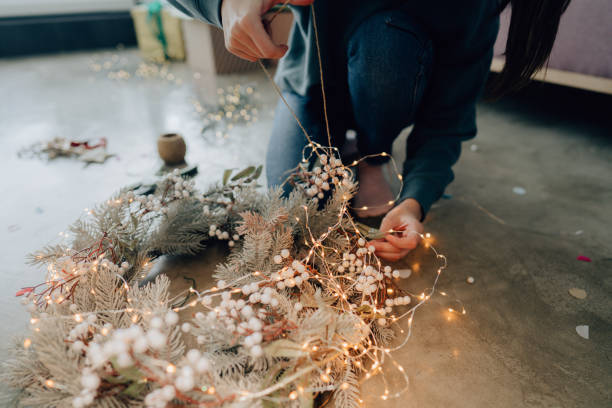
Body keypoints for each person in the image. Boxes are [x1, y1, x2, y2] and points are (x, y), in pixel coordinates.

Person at [169, 0, 570, 261]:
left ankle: (370, 153)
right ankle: (341, 142)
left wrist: (415, 201)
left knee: (385, 49)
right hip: (311, 87)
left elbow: (447, 120)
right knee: (295, 213)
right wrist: (224, 5)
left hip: (392, 83)